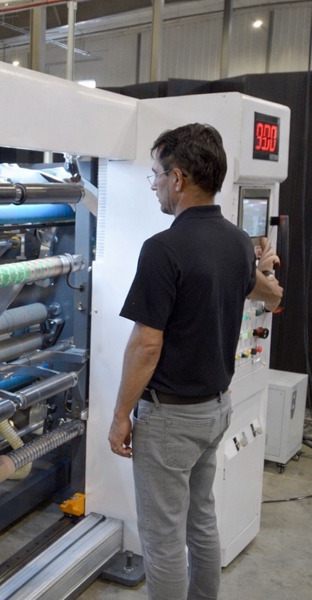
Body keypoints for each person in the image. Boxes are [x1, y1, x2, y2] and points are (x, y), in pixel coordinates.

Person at [107, 123, 283, 600]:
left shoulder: (163, 249)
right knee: (200, 522)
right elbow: (254, 291)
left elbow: (146, 344)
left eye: (156, 175)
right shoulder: (236, 242)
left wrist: (121, 415)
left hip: (169, 420)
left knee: (162, 540)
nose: (155, 185)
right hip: (215, 409)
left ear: (179, 178)